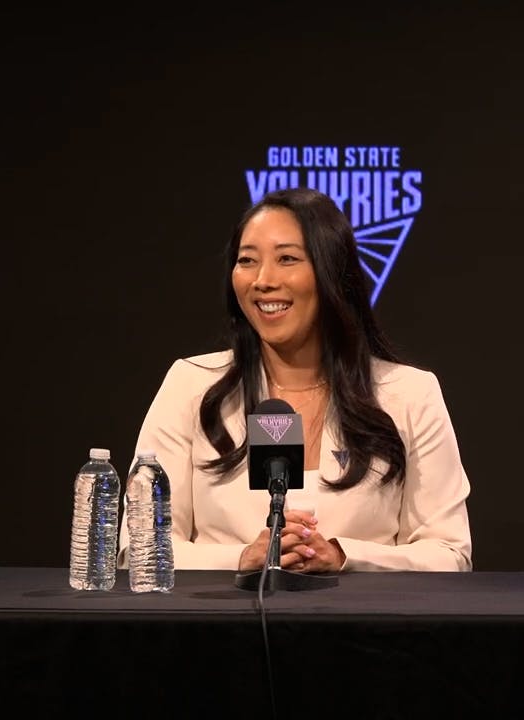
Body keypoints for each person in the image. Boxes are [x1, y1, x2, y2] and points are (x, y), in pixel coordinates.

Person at [123, 187, 470, 573]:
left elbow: (449, 554)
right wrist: (242, 558)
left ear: (331, 274)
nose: (263, 280)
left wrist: (343, 557)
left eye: (287, 259)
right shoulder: (191, 385)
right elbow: (139, 549)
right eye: (247, 261)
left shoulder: (408, 394)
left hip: (361, 628)